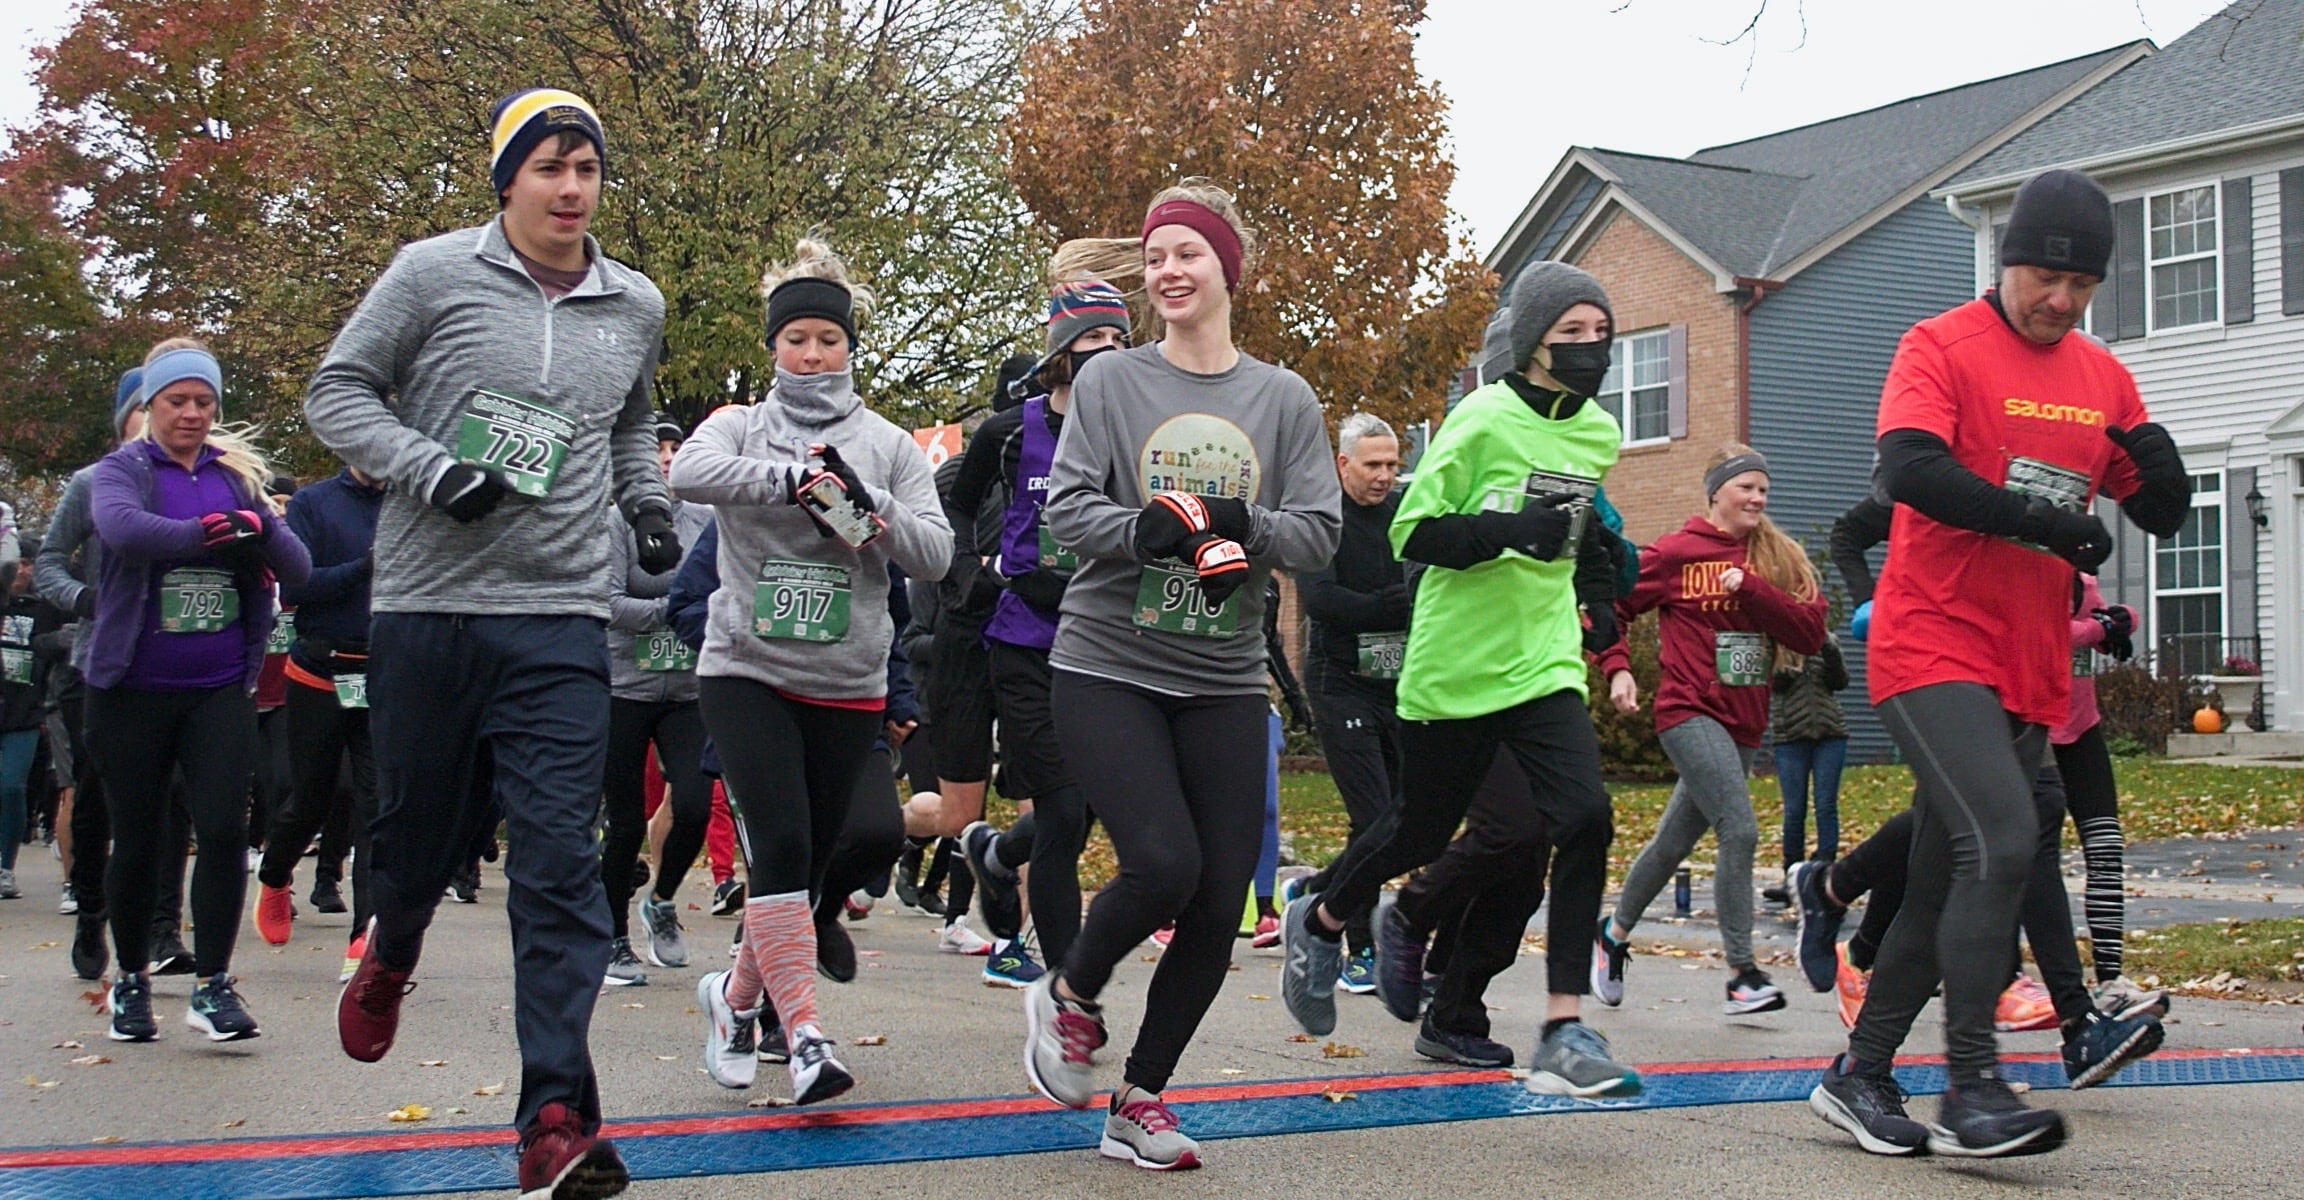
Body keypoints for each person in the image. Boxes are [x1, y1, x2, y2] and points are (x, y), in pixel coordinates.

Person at [308, 88, 679, 1200]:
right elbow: (338, 390)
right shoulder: (431, 275)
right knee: (416, 841)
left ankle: (553, 1118)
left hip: (561, 614)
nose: (572, 189)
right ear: (507, 180)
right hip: (427, 609)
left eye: (588, 170)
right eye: (550, 168)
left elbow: (623, 423)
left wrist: (645, 505)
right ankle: (394, 945)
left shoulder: (634, 303)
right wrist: (430, 469)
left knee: (561, 859)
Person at [1805, 168, 2190, 1160]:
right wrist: (2041, 520)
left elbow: (2152, 503)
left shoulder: (2102, 376)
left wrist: (2161, 469)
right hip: (1929, 638)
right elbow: (1908, 471)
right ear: (2008, 259)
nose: (2059, 300)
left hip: (2026, 664)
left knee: (1942, 875)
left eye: (2082, 287)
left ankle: (1860, 1074)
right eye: (2043, 278)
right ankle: (1975, 1087)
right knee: (2006, 837)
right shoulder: (1939, 346)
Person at [1019, 182, 1341, 1170]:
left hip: (1224, 675)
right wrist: (1142, 529)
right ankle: (1067, 994)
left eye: (1186, 254)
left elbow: (1321, 535)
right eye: (1155, 257)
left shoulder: (1281, 399)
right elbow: (1066, 509)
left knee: (1217, 901)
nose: (1166, 271)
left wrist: (1242, 523)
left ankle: (1140, 1099)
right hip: (1109, 661)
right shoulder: (1114, 384)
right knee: (1163, 863)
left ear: (1226, 271)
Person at [1279, 260, 1633, 1101]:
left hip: (1541, 659)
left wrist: (1595, 593)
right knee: (1418, 833)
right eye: (1572, 333)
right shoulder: (1481, 418)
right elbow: (1415, 531)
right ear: (1534, 341)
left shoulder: (1598, 434)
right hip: (1455, 663)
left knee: (1584, 816)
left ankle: (1564, 1024)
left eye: (1602, 334)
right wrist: (1507, 528)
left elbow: (1579, 530)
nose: (1591, 349)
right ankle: (1324, 915)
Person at [673, 236, 951, 1106]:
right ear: (773, 348)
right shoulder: (739, 425)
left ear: (849, 347)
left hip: (848, 679)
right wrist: (790, 479)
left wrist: (871, 510)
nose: (812, 354)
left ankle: (735, 995)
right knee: (784, 844)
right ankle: (804, 1040)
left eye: (827, 339)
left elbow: (937, 556)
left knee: (826, 851)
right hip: (745, 669)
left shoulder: (887, 443)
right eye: (795, 339)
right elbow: (689, 473)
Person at [85, 338, 312, 1044]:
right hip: (131, 689)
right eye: (177, 401)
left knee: (220, 831)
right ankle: (130, 981)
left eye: (203, 402)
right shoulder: (121, 471)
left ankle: (213, 986)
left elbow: (298, 565)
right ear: (149, 405)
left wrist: (255, 529)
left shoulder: (235, 476)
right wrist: (209, 535)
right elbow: (125, 532)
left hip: (218, 687)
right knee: (143, 837)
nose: (190, 414)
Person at [1593, 446, 1825, 1016]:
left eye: (1763, 490)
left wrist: (1750, 588)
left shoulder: (1774, 555)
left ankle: (1613, 934)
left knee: (1674, 842)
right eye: (1746, 487)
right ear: (1716, 492)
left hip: (1745, 719)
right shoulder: (1677, 552)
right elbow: (1613, 607)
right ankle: (1742, 973)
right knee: (1740, 830)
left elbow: (1810, 633)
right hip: (1687, 710)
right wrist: (1618, 667)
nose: (1757, 499)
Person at [951, 276, 1131, 986]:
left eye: (1120, 340)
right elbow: (957, 508)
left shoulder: (1129, 436)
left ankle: (997, 856)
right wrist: (970, 572)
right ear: (1060, 349)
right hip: (1024, 641)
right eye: (1093, 339)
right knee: (1061, 811)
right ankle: (1067, 987)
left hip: (1105, 645)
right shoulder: (1008, 431)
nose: (1108, 352)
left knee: (1083, 809)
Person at [251, 460, 385, 987]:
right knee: (311, 797)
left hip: (383, 669)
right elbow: (297, 589)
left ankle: (364, 935)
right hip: (318, 668)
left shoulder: (408, 502)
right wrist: (364, 567)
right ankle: (276, 873)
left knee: (377, 804)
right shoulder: (313, 503)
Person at [1293, 412, 1410, 988]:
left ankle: (1315, 890)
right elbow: (1324, 601)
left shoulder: (1405, 513)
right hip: (1339, 680)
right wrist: (1395, 601)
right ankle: (1359, 948)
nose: (1385, 475)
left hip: (1400, 681)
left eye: (1392, 464)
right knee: (1374, 819)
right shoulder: (1323, 520)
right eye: (1373, 465)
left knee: (1402, 818)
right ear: (1343, 464)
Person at [599, 412, 715, 985]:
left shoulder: (704, 519)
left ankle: (662, 900)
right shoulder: (615, 521)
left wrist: (698, 608)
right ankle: (612, 934)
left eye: (675, 447)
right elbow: (610, 603)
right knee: (622, 824)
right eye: (657, 449)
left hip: (688, 687)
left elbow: (723, 587)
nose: (667, 458)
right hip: (624, 686)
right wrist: (678, 609)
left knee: (695, 802)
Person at [2, 535, 64, 902]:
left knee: (11, 787)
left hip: (24, 713)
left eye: (30, 563)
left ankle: (5, 866)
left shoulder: (42, 606)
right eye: (18, 561)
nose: (23, 570)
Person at [1767, 627, 1848, 892]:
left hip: (1829, 733)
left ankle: (1826, 871)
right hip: (1790, 735)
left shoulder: (1825, 642)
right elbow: (1776, 683)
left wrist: (1829, 649)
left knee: (1826, 805)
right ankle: (1792, 876)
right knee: (1794, 810)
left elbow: (1840, 681)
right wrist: (1793, 656)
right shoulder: (1775, 643)